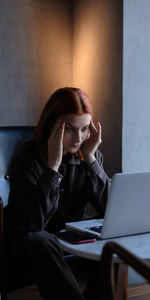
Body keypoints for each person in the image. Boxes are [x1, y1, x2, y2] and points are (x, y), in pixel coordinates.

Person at [4, 87, 111, 300]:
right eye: (70, 129)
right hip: (27, 235)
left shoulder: (89, 154)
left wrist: (90, 160)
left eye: (84, 129)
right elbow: (33, 223)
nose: (78, 139)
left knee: (111, 230)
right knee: (43, 239)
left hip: (68, 231)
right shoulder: (28, 155)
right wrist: (52, 166)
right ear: (51, 125)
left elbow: (111, 209)